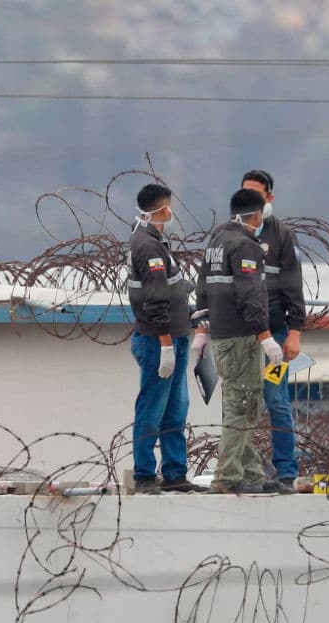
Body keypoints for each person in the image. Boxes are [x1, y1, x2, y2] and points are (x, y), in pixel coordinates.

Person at [194, 188, 284, 494]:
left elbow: (202, 286)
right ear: (257, 215)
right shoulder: (244, 246)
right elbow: (249, 296)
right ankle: (228, 476)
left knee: (241, 404)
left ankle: (251, 473)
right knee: (243, 406)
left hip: (222, 335)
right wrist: (266, 336)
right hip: (242, 338)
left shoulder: (218, 241)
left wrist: (202, 327)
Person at [127, 183, 205, 494]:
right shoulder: (148, 246)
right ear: (163, 209)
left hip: (177, 335)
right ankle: (145, 474)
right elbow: (155, 300)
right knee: (152, 408)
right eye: (169, 206)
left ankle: (175, 473)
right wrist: (166, 346)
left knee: (176, 409)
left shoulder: (157, 241)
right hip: (159, 341)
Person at [240, 170, 307, 494]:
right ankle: (244, 468)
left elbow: (294, 287)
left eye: (256, 194)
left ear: (269, 197)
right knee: (241, 402)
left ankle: (285, 470)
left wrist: (295, 332)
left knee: (275, 399)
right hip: (241, 337)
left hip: (276, 338)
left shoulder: (282, 236)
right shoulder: (231, 234)